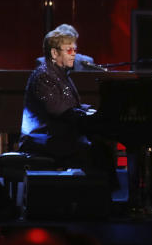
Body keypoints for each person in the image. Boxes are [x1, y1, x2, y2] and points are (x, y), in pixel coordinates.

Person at [19, 24, 113, 177]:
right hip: (41, 137)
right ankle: (88, 196)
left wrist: (91, 111)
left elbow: (72, 106)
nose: (74, 54)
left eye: (75, 50)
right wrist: (86, 117)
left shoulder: (61, 74)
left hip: (58, 134)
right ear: (54, 53)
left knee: (100, 147)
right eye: (69, 50)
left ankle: (103, 196)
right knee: (91, 151)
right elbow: (57, 110)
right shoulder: (43, 75)